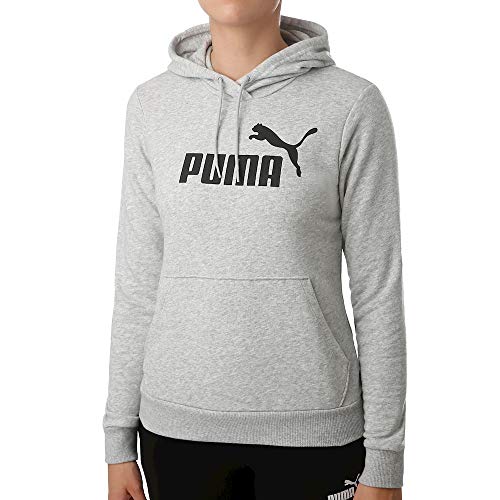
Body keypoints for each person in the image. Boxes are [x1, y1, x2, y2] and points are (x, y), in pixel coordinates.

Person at [104, 1, 407, 499]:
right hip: (175, 431)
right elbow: (137, 282)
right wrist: (118, 439)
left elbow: (378, 290)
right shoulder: (152, 105)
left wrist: (385, 458)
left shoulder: (351, 104)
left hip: (314, 431)